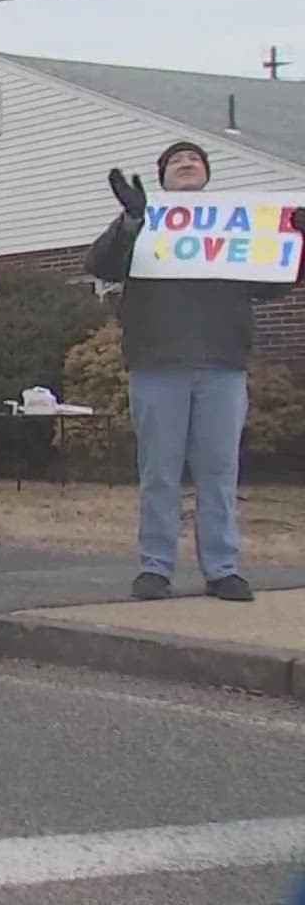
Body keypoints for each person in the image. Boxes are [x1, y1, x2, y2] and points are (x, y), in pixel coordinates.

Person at [86, 142, 305, 604]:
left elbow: (273, 284)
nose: (186, 164)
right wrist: (130, 221)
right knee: (160, 473)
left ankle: (223, 568)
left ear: (206, 174)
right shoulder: (144, 219)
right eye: (175, 161)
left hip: (222, 364)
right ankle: (155, 568)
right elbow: (100, 265)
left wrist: (296, 241)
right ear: (162, 177)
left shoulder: (236, 228)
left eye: (195, 160)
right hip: (157, 363)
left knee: (219, 474)